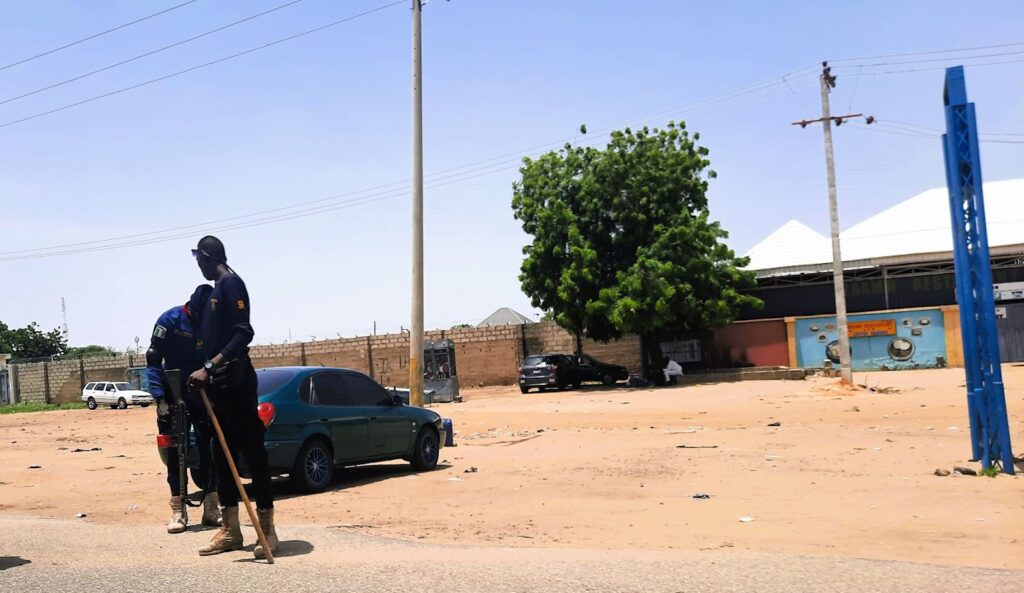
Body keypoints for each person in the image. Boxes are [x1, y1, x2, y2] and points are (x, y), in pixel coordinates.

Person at [188, 236, 279, 559]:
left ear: (209, 257)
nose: (197, 265)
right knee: (221, 454)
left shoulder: (231, 285)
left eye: (199, 259)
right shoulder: (214, 292)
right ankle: (230, 530)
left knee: (253, 452)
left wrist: (211, 365)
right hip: (218, 387)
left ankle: (267, 530)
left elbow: (244, 333)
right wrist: (204, 373)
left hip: (238, 383)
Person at [146, 285, 221, 534]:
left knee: (210, 448)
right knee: (176, 453)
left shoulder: (213, 321)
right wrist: (161, 400)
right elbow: (153, 360)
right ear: (192, 306)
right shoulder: (170, 320)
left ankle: (212, 508)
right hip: (173, 393)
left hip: (202, 391)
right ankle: (178, 510)